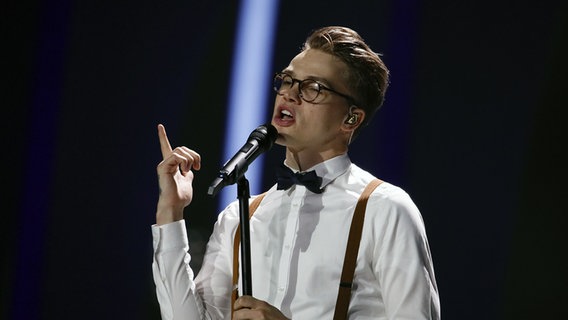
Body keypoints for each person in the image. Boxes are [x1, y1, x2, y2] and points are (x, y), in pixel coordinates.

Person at [152, 26, 440, 319]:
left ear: (351, 118)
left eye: (312, 87)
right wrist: (170, 213)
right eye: (287, 81)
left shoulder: (386, 209)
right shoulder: (240, 218)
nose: (289, 94)